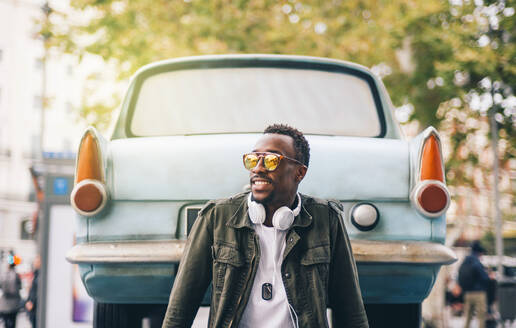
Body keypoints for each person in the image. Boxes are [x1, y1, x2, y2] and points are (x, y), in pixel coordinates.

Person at [162, 124, 368, 328]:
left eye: (271, 160)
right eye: (252, 160)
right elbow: (180, 308)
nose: (258, 168)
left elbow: (350, 308)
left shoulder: (326, 218)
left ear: (299, 173)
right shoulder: (216, 216)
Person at [458, 241, 490, 328]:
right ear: (479, 252)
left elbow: (459, 276)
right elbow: (484, 277)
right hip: (479, 293)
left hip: (467, 293)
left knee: (468, 317)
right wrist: (488, 275)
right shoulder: (476, 262)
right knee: (481, 317)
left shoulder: (464, 262)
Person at [0, 253, 22, 328]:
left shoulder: (3, 275)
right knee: (12, 324)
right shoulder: (16, 275)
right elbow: (19, 287)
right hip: (14, 304)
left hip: (4, 304)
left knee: (6, 324)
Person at [25, 255, 41, 328]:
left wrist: (32, 303)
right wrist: (28, 300)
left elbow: (38, 292)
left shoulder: (40, 275)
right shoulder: (36, 273)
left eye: (37, 262)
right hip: (32, 307)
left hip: (35, 307)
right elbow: (32, 290)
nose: (35, 263)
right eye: (35, 261)